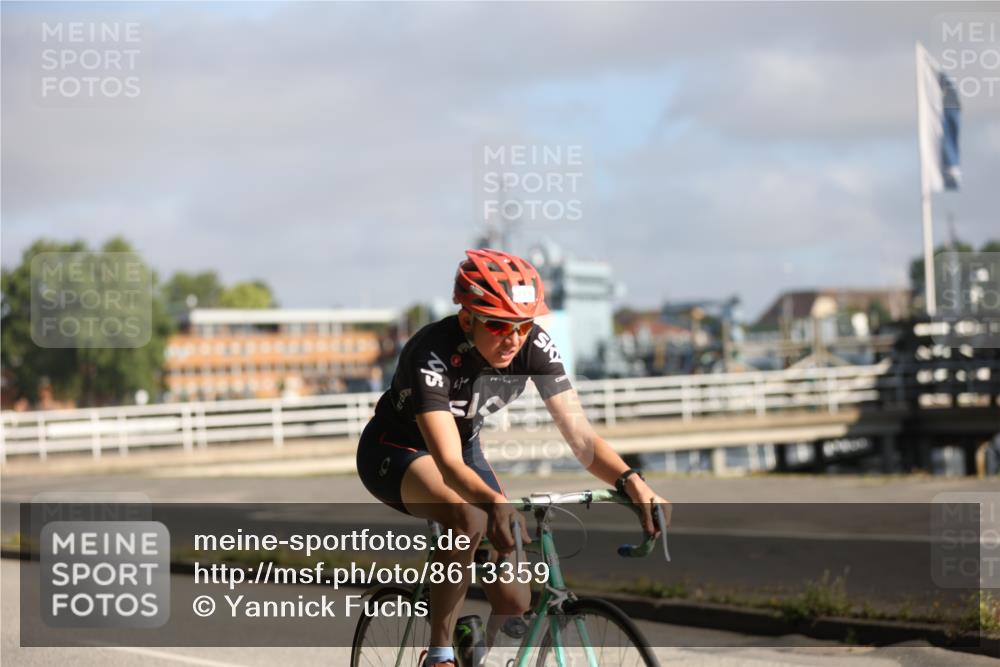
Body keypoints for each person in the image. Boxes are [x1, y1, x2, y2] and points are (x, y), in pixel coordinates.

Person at [356, 248, 669, 667]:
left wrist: (632, 481)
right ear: (467, 318)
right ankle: (440, 652)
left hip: (464, 451)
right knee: (468, 516)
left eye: (524, 325)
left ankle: (480, 653)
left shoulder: (533, 344)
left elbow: (581, 439)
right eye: (501, 325)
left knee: (515, 598)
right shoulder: (431, 351)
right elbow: (447, 463)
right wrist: (494, 503)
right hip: (398, 450)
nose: (514, 338)